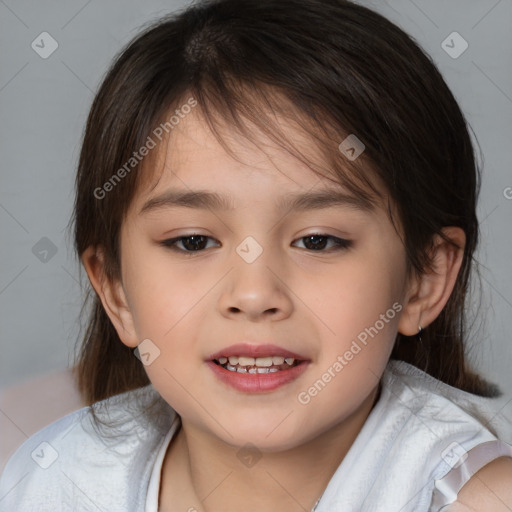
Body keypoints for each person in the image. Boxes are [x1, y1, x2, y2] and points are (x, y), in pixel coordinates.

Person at [1, 0, 511, 510]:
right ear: (115, 290)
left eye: (317, 240)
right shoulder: (52, 481)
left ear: (424, 278)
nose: (253, 294)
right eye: (193, 241)